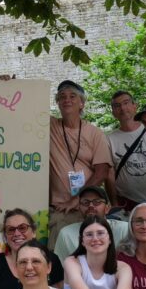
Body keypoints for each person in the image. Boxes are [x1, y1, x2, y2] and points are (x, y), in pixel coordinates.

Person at [48, 80, 113, 245]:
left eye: (72, 96)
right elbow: (25, 108)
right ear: (58, 103)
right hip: (61, 211)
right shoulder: (49, 126)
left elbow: (102, 172)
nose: (67, 100)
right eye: (62, 97)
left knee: (91, 254)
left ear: (82, 103)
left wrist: (77, 198)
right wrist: (8, 85)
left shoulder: (95, 133)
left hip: (88, 210)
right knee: (60, 256)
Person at [107, 90, 146, 210]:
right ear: (113, 112)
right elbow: (109, 174)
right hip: (126, 203)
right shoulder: (109, 139)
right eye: (117, 106)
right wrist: (114, 204)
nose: (123, 108)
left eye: (126, 103)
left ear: (135, 106)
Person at [53, 185, 129, 263]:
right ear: (79, 208)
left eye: (97, 202)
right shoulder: (67, 234)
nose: (91, 206)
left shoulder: (124, 229)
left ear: (107, 208)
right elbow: (60, 267)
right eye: (85, 202)